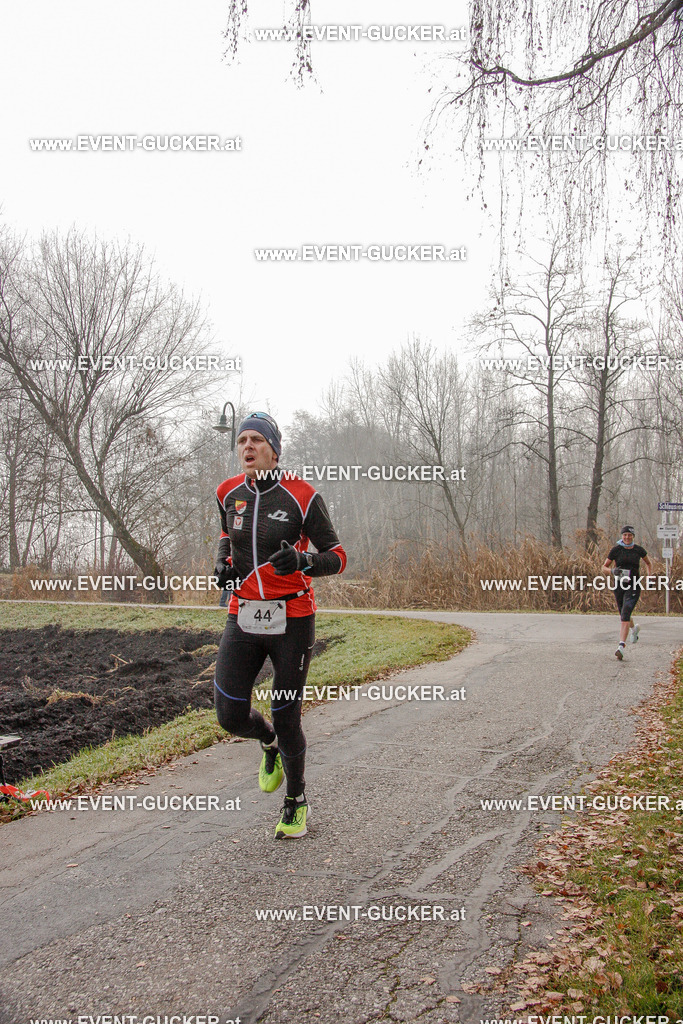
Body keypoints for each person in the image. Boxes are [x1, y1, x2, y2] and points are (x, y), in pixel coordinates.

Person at [212, 411, 347, 838]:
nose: (247, 447)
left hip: (292, 617)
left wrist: (305, 561)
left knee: (287, 714)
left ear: (274, 449)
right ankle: (266, 741)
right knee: (230, 715)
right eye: (241, 441)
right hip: (244, 614)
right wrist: (221, 563)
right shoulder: (227, 493)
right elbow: (226, 535)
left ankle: (296, 800)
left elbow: (339, 557)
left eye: (256, 440)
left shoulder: (302, 496)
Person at [602, 525, 653, 660]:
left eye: (629, 535)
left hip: (634, 585)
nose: (627, 537)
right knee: (624, 613)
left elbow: (648, 563)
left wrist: (649, 577)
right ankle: (634, 629)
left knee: (626, 612)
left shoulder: (638, 550)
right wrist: (612, 571)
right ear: (622, 536)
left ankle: (621, 646)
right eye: (625, 535)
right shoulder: (616, 550)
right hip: (619, 585)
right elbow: (604, 567)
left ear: (633, 537)